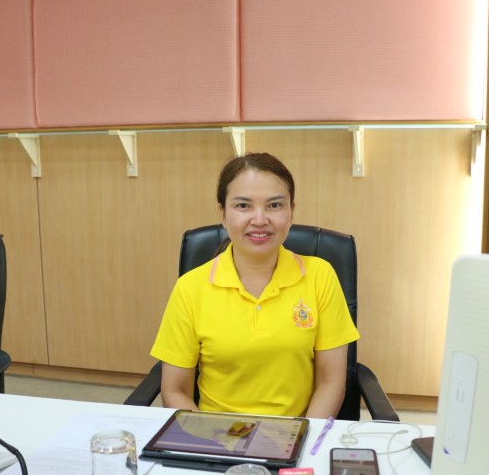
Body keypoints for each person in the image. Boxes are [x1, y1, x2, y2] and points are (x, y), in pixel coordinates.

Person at [150, 153, 359, 418]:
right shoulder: (190, 287)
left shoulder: (320, 275)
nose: (259, 220)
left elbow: (331, 382)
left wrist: (301, 436)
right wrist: (208, 438)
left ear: (291, 212)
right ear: (223, 214)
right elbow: (175, 389)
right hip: (214, 433)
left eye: (274, 205)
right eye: (243, 205)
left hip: (296, 431)